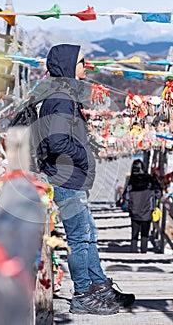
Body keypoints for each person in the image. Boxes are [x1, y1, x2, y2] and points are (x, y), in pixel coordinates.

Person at [38, 44, 135, 315]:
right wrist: (83, 157)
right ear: (69, 64)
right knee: (80, 238)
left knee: (88, 235)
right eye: (82, 61)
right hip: (66, 179)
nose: (86, 66)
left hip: (71, 180)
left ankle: (98, 286)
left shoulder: (64, 94)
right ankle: (82, 293)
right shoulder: (61, 98)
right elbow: (57, 141)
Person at [123, 159, 162, 253]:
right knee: (145, 234)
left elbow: (126, 195)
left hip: (134, 210)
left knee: (134, 234)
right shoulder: (150, 179)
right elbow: (159, 193)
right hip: (147, 210)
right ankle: (143, 252)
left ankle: (133, 252)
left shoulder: (131, 180)